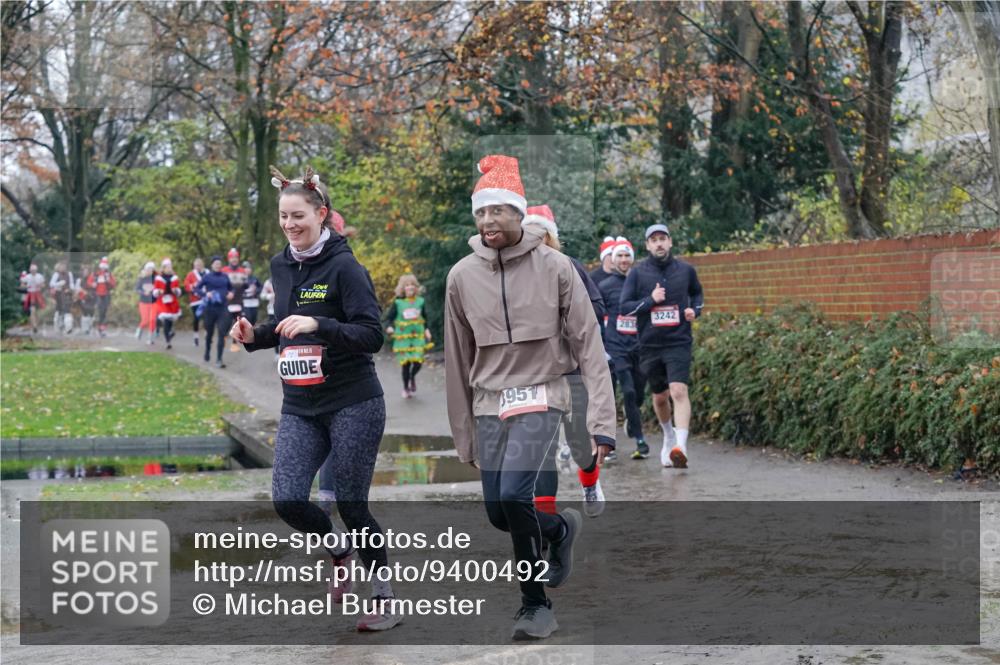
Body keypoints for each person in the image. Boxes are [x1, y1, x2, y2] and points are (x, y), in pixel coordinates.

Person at [444, 155, 616, 640]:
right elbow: (457, 361)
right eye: (481, 212)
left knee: (518, 495)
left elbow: (589, 346)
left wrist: (602, 421)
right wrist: (463, 435)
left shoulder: (558, 267)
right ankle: (561, 530)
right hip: (487, 405)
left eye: (498, 211)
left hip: (544, 394)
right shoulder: (461, 276)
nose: (488, 221)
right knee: (501, 513)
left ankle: (535, 605)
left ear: (520, 214)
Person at [230, 165, 399, 632]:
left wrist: (319, 324)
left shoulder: (346, 267)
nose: (290, 224)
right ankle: (339, 549)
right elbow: (284, 329)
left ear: (321, 214)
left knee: (352, 503)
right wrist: (254, 335)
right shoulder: (280, 264)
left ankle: (385, 599)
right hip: (301, 406)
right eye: (284, 216)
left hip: (353, 401)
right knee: (286, 499)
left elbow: (371, 336)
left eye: (299, 215)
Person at [520, 204, 608, 518]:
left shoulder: (568, 265)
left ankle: (590, 482)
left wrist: (563, 324)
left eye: (539, 234)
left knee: (579, 439)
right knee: (541, 447)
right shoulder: (510, 271)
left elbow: (596, 309)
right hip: (531, 375)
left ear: (550, 237)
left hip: (570, 370)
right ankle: (547, 520)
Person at [619, 223, 704, 468]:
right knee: (659, 398)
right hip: (649, 343)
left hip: (678, 341)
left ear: (670, 242)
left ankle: (681, 445)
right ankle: (668, 436)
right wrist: (650, 301)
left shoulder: (686, 271)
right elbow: (625, 307)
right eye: (653, 239)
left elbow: (698, 295)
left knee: (678, 391)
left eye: (662, 239)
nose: (659, 243)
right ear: (647, 245)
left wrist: (693, 311)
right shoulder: (638, 273)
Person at [599, 238, 649, 459]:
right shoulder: (605, 286)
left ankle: (632, 420)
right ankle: (639, 439)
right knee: (626, 390)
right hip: (615, 347)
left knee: (638, 394)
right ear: (613, 258)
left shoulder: (642, 282)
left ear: (632, 259)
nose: (623, 259)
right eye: (619, 255)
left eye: (627, 255)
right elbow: (597, 318)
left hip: (638, 346)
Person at [383, 273, 433, 399]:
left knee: (418, 362)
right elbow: (388, 318)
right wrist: (389, 327)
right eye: (407, 285)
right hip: (403, 338)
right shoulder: (398, 302)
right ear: (402, 288)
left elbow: (425, 318)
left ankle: (412, 377)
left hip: (417, 337)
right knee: (405, 364)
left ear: (415, 287)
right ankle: (406, 388)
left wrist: (427, 330)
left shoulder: (420, 301)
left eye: (412, 285)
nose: (410, 287)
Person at [195, 256, 233, 367]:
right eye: (215, 263)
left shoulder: (225, 276)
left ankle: (219, 359)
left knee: (222, 333)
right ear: (212, 265)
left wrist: (231, 293)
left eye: (219, 263)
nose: (217, 265)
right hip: (210, 309)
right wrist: (205, 294)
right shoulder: (207, 277)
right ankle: (207, 352)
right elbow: (196, 289)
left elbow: (231, 288)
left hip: (223, 308)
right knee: (210, 333)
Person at [153, 258, 183, 349]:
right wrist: (159, 292)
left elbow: (178, 289)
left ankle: (170, 333)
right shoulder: (159, 278)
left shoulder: (175, 278)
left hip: (172, 301)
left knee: (170, 321)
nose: (169, 268)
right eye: (167, 267)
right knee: (166, 320)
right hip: (163, 301)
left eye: (170, 267)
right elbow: (155, 290)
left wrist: (176, 291)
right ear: (164, 268)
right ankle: (167, 341)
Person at [88, 257, 117, 337]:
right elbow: (89, 281)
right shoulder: (95, 273)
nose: (103, 268)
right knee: (99, 311)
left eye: (105, 267)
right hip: (97, 294)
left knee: (104, 311)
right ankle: (96, 327)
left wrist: (108, 281)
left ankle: (102, 328)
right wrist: (92, 284)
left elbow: (114, 284)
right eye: (102, 267)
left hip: (106, 294)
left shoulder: (108, 274)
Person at [184, 258, 207, 346]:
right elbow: (186, 286)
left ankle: (206, 335)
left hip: (206, 299)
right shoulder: (191, 274)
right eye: (196, 265)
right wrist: (193, 286)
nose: (198, 267)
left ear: (202, 265)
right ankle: (196, 337)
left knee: (206, 318)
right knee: (196, 319)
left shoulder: (207, 273)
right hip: (195, 300)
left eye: (199, 265)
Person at [49, 261, 75, 334]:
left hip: (67, 295)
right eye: (62, 266)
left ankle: (68, 327)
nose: (63, 268)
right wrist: (59, 284)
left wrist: (71, 289)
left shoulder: (69, 274)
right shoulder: (56, 274)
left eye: (64, 266)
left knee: (67, 311)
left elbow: (72, 283)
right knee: (59, 312)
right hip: (58, 295)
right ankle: (59, 327)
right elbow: (51, 284)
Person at [20, 264, 46, 334]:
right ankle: (34, 326)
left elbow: (43, 285)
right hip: (30, 295)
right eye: (32, 270)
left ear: (36, 270)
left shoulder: (39, 276)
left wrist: (40, 285)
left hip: (38, 294)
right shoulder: (27, 276)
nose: (33, 271)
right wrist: (26, 286)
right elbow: (22, 285)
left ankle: (35, 325)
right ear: (30, 270)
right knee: (32, 310)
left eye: (34, 270)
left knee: (38, 312)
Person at [135, 261, 157, 343]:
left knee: (152, 320)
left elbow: (160, 287)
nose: (150, 271)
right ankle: (139, 330)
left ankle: (150, 338)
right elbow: (136, 289)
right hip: (143, 302)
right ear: (145, 269)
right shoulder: (142, 278)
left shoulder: (156, 278)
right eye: (148, 269)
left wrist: (156, 291)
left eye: (151, 269)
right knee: (145, 320)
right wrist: (143, 292)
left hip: (154, 302)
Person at [75, 265, 97, 335]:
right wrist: (81, 292)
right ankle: (85, 329)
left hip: (91, 297)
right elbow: (78, 289)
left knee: (91, 313)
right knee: (85, 313)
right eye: (84, 271)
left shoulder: (93, 278)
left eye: (87, 271)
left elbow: (95, 287)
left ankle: (90, 327)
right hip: (83, 298)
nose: (85, 273)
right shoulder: (80, 280)